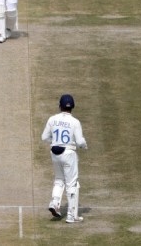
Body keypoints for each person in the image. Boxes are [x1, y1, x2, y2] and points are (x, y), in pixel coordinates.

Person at [41, 94, 88, 223]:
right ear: (72, 107)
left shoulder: (52, 119)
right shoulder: (75, 122)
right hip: (69, 154)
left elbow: (44, 137)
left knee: (59, 180)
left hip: (55, 153)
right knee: (71, 184)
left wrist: (55, 141)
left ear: (60, 106)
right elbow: (79, 141)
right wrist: (84, 145)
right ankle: (71, 216)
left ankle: (54, 203)